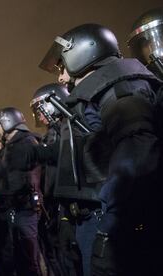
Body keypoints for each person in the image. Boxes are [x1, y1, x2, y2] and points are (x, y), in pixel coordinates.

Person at [37, 23, 162, 275]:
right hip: (93, 217)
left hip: (111, 220)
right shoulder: (99, 90)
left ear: (82, 52)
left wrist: (110, 228)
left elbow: (137, 154)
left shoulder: (120, 86)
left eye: (62, 65)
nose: (60, 77)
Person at [30, 83, 83, 276]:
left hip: (67, 204)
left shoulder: (65, 130)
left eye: (41, 109)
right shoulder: (54, 133)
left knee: (70, 259)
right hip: (55, 206)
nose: (40, 116)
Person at [0, 107, 42, 276]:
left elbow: (21, 180)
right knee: (20, 259)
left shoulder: (25, 142)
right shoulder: (14, 145)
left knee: (28, 260)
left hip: (24, 208)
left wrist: (1, 190)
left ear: (8, 122)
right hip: (18, 208)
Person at [128, 7, 163, 79]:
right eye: (146, 44)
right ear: (140, 51)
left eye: (161, 37)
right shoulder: (144, 85)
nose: (153, 46)